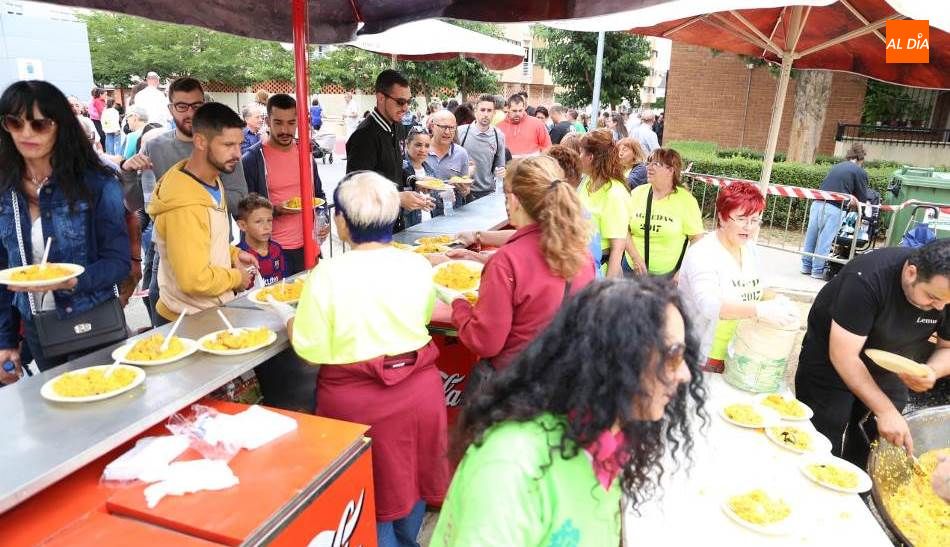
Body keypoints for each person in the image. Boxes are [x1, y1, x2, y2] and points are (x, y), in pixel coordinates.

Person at [430, 278, 706, 546]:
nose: (685, 374)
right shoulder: (511, 466)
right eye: (674, 355)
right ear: (617, 358)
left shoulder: (610, 439)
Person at [271, 171, 449, 547]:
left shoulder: (327, 274)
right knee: (412, 475)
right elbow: (422, 314)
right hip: (419, 391)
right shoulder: (416, 264)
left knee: (370, 492)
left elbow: (310, 346)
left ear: (342, 222)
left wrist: (287, 318)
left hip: (359, 403)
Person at [0, 80, 131, 377]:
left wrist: (70, 281)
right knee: (56, 415)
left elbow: (117, 262)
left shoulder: (97, 182)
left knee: (103, 414)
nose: (26, 133)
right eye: (14, 122)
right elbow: (4, 268)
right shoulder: (5, 189)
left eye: (39, 124)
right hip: (37, 325)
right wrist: (5, 341)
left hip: (92, 318)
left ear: (60, 125)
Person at [438, 155, 595, 382]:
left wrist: (457, 302)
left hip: (517, 386)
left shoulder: (507, 261)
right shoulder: (580, 252)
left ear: (514, 200)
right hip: (565, 380)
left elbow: (485, 342)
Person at [795, 239, 949, 468]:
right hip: (831, 358)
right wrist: (884, 410)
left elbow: (946, 347)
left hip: (891, 361)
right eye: (932, 298)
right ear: (911, 272)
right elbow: (844, 356)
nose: (939, 307)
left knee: (879, 438)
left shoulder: (944, 294)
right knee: (824, 431)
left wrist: (931, 371)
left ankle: (858, 486)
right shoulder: (867, 279)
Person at [146, 103, 258, 325]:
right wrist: (237, 277)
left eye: (239, 144)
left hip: (208, 312)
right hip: (186, 320)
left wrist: (232, 255)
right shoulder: (183, 203)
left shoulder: (212, 181)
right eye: (228, 145)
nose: (237, 153)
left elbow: (201, 242)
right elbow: (193, 279)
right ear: (200, 141)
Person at [678, 181, 798, 371]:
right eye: (742, 219)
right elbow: (709, 305)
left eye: (755, 220)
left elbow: (756, 286)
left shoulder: (749, 248)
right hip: (702, 355)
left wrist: (776, 299)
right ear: (722, 218)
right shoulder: (703, 254)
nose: (749, 227)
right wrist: (759, 310)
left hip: (737, 351)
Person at [241, 93, 327, 274]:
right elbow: (244, 210)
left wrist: (323, 221)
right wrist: (275, 210)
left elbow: (319, 196)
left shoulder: (306, 154)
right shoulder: (253, 158)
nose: (285, 130)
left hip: (309, 247)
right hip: (273, 253)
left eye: (291, 123)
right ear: (267, 121)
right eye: (278, 123)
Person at [346, 70, 431, 230]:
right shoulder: (364, 136)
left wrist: (414, 181)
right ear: (380, 98)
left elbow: (394, 169)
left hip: (395, 223)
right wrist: (398, 198)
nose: (405, 108)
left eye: (408, 102)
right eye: (400, 102)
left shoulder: (397, 126)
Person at [627, 148, 704, 277]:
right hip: (632, 269)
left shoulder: (686, 200)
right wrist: (635, 258)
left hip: (667, 277)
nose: (649, 168)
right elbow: (624, 229)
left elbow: (697, 239)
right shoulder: (637, 193)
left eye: (656, 164)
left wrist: (683, 271)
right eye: (649, 163)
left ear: (671, 170)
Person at [801, 143, 870, 280]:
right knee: (825, 239)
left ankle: (806, 266)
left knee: (812, 235)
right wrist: (859, 210)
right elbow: (862, 196)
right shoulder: (859, 171)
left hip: (817, 203)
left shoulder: (837, 166)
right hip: (835, 208)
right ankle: (817, 270)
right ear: (861, 158)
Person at [577, 130, 630, 278]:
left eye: (581, 152)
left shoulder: (615, 193)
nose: (578, 157)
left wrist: (606, 289)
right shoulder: (587, 181)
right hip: (580, 265)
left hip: (599, 269)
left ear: (590, 157)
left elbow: (618, 248)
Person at [457, 93, 508, 201]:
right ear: (475, 111)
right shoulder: (461, 132)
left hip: (488, 193)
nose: (485, 114)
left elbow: (500, 167)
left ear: (494, 113)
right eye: (482, 110)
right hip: (464, 192)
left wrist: (502, 172)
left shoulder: (498, 136)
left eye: (489, 111)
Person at [236, 193, 287, 287]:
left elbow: (284, 281)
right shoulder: (238, 255)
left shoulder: (277, 249)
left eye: (269, 220)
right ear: (242, 225)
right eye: (258, 222)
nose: (267, 227)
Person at [425, 110, 470, 206]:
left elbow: (465, 186)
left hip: (452, 212)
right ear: (433, 126)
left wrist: (465, 190)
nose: (447, 132)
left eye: (451, 128)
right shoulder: (421, 150)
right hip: (425, 213)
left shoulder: (461, 153)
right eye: (443, 127)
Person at [496, 93, 551, 158]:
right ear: (508, 109)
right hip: (508, 166)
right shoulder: (499, 127)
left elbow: (547, 147)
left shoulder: (537, 124)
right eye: (514, 111)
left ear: (524, 108)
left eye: (520, 110)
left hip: (532, 165)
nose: (517, 114)